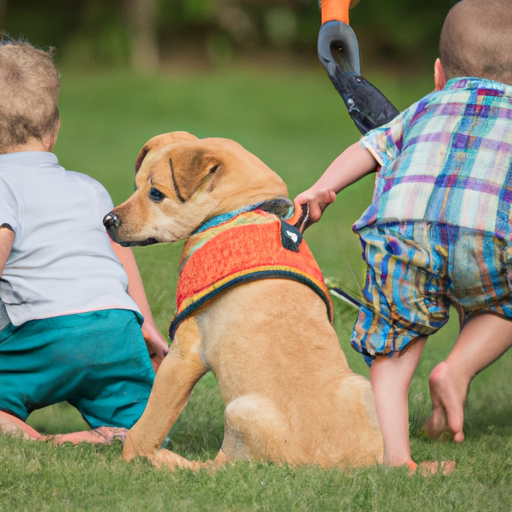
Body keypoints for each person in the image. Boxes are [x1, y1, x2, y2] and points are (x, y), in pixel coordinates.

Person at [296, 0, 512, 471]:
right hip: (491, 237)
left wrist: (321, 188)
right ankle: (456, 370)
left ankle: (397, 458)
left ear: (439, 73)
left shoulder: (426, 107)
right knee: (504, 304)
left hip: (402, 232)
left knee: (395, 340)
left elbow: (369, 148)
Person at [0, 40, 169, 445]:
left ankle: (37, 442)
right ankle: (121, 435)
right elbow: (120, 257)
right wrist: (147, 327)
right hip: (115, 330)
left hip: (43, 335)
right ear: (55, 130)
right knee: (145, 429)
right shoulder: (90, 189)